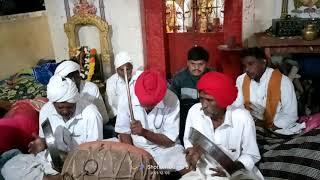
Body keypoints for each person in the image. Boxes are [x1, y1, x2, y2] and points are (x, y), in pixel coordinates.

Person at [1, 75, 103, 180]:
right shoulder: (46, 110)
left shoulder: (91, 114)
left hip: (79, 163)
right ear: (53, 103)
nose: (65, 111)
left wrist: (66, 158)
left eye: (70, 107)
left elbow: (94, 153)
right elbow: (45, 140)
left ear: (75, 101)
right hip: (51, 160)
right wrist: (41, 143)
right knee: (9, 166)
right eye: (60, 107)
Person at [181, 72, 263, 180]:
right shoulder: (194, 112)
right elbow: (188, 140)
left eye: (209, 100)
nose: (204, 105)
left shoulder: (242, 118)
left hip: (235, 173)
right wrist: (192, 152)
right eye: (201, 98)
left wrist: (232, 168)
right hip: (202, 172)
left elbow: (251, 155)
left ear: (222, 100)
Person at [115, 70, 188, 174]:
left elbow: (170, 140)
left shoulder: (172, 99)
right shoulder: (127, 96)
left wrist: (144, 132)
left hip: (165, 149)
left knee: (187, 166)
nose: (147, 108)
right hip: (137, 148)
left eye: (151, 105)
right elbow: (123, 132)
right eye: (143, 104)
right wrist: (133, 155)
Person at [233, 47, 304, 135]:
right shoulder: (241, 80)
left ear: (263, 62)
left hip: (276, 129)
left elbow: (290, 115)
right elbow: (237, 106)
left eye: (251, 64)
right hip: (251, 127)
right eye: (244, 66)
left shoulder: (283, 81)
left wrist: (269, 127)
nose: (247, 69)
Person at [169, 45, 212, 145]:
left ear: (206, 64)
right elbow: (172, 103)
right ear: (188, 63)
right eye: (193, 64)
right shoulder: (179, 79)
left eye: (200, 64)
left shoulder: (213, 77)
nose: (196, 68)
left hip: (208, 118)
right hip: (185, 119)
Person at [54, 60, 109, 125]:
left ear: (79, 76)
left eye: (76, 77)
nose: (73, 81)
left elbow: (103, 116)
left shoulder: (91, 88)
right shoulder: (56, 92)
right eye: (69, 77)